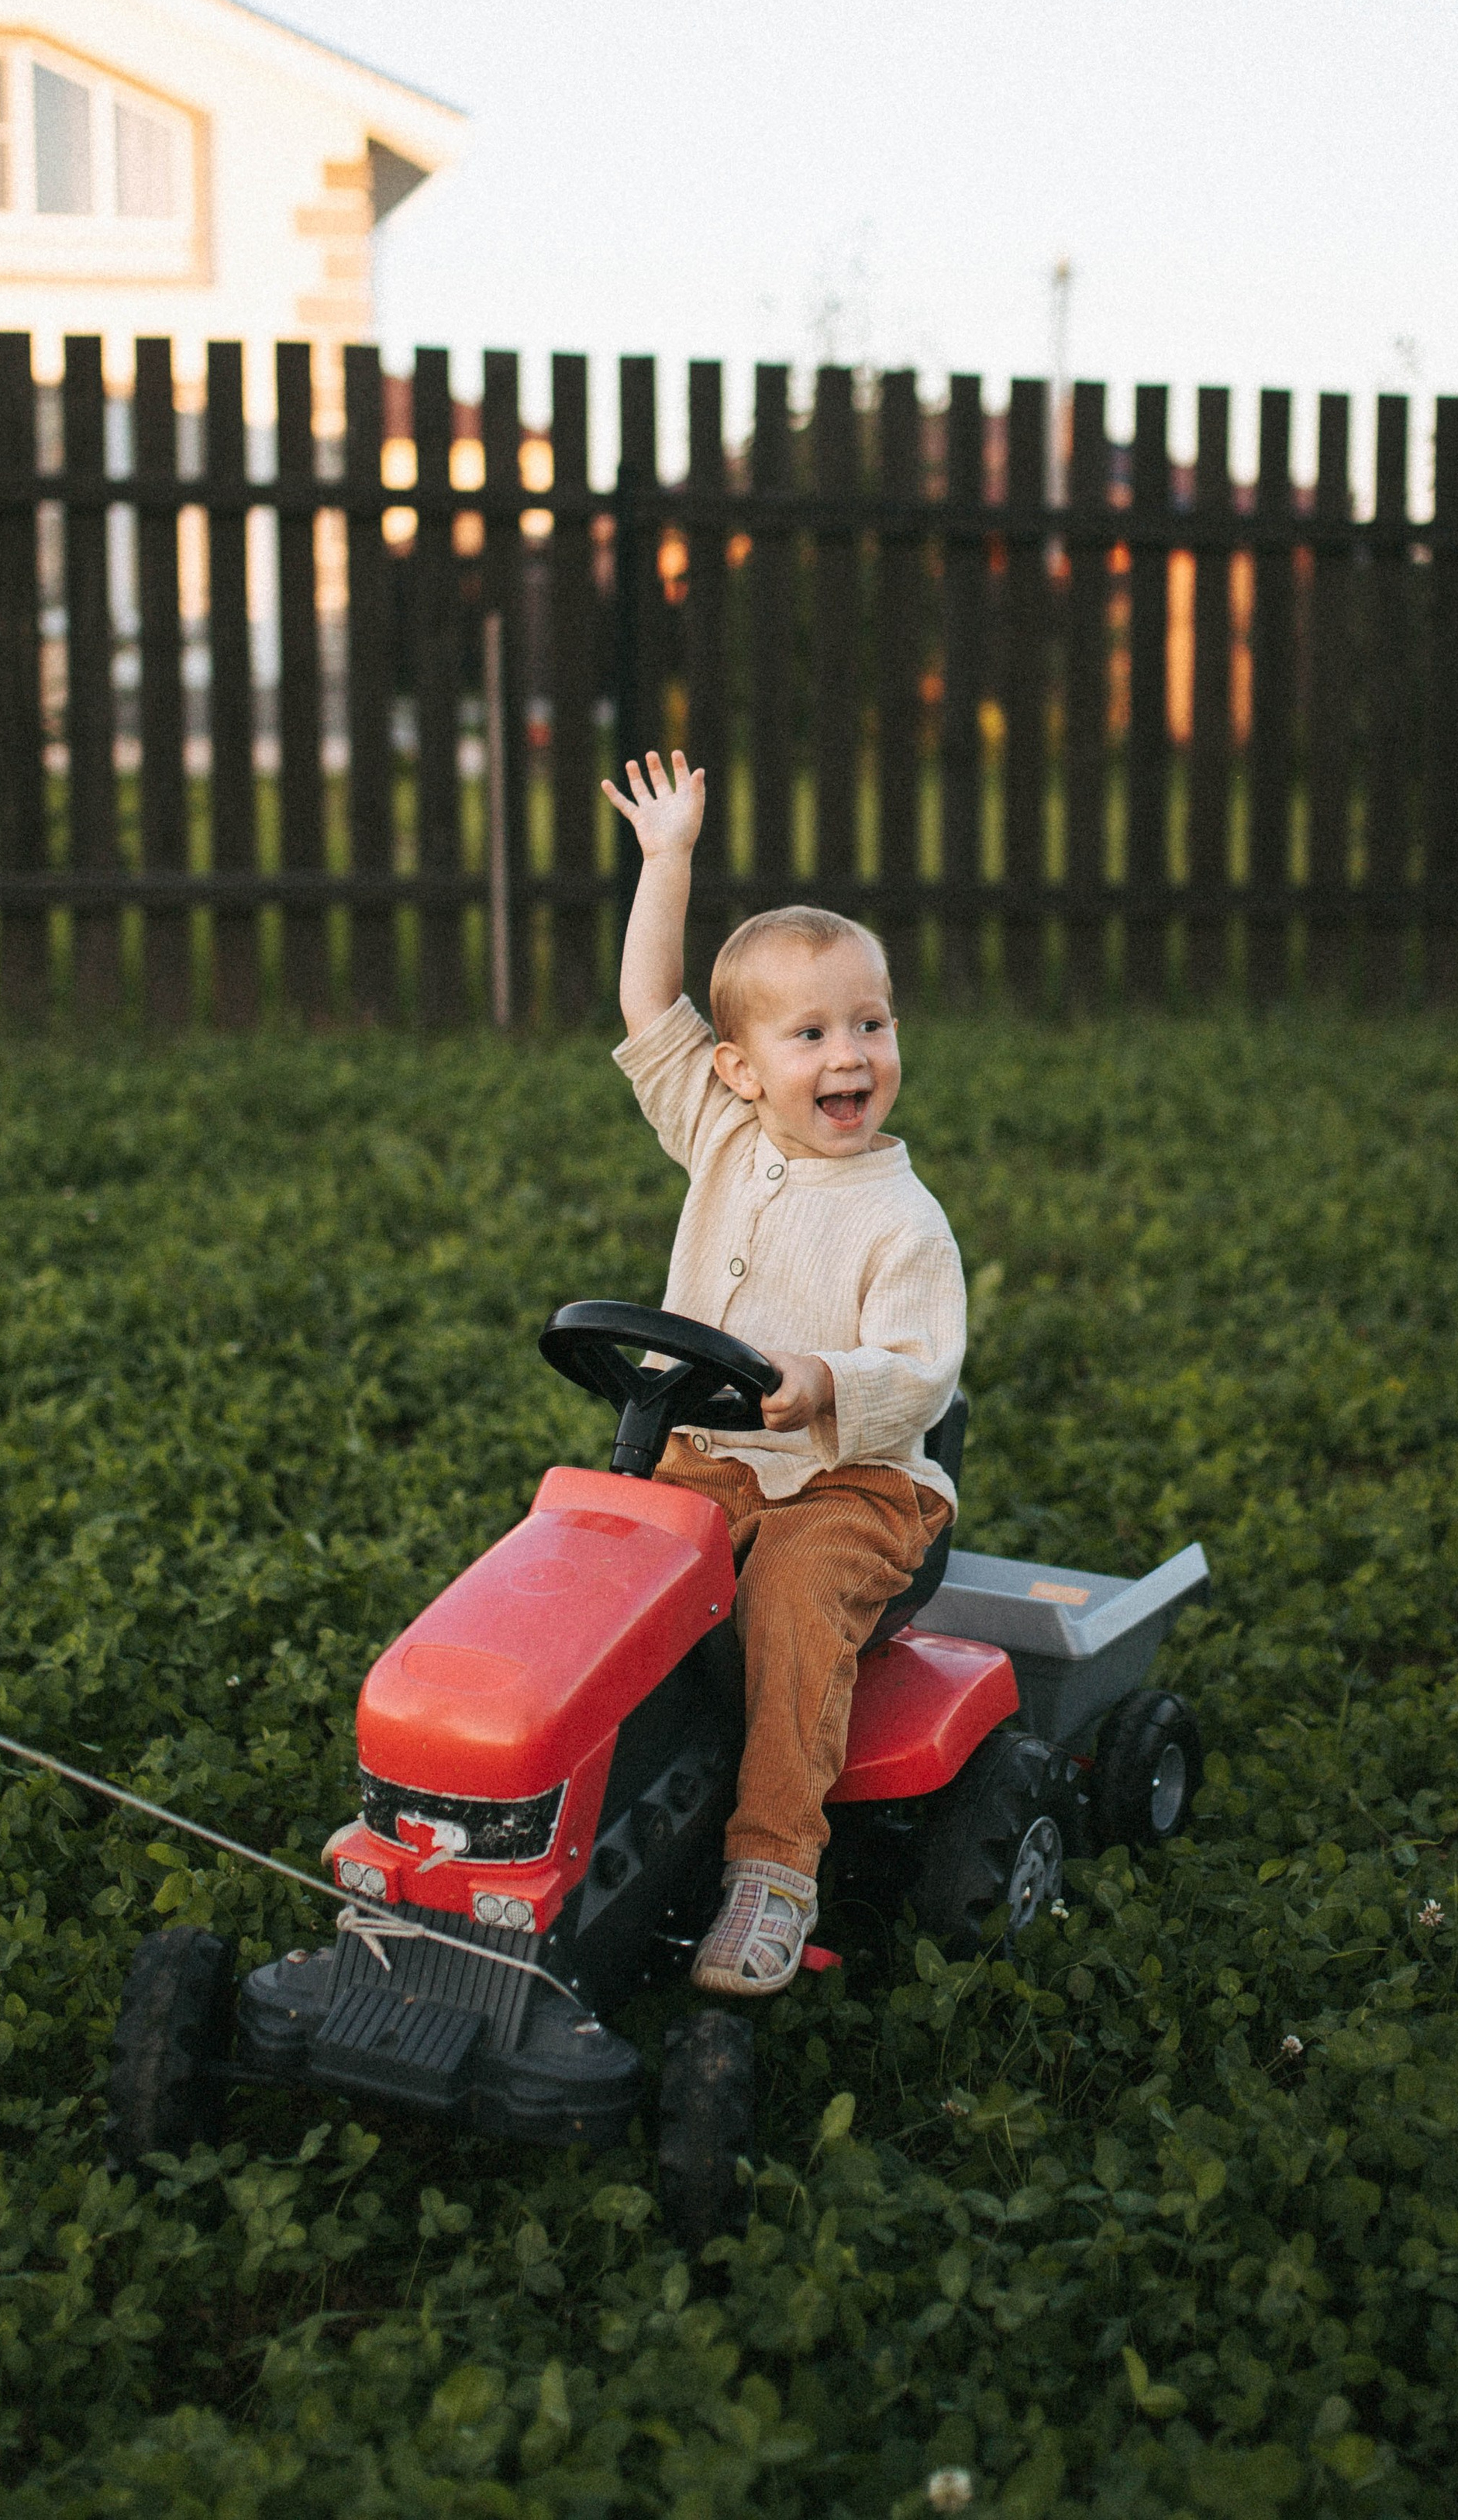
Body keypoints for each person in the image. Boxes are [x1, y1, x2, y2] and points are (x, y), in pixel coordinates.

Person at [601, 747, 967, 1995]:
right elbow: (652, 1008)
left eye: (870, 1024)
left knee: (797, 1603)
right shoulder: (718, 1133)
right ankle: (564, 1798)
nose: (850, 1054)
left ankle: (772, 1868)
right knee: (594, 1562)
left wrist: (827, 1382)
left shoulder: (903, 1218)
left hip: (854, 1487)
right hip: (710, 1460)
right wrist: (668, 862)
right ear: (741, 1071)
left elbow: (920, 1377)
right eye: (810, 1033)